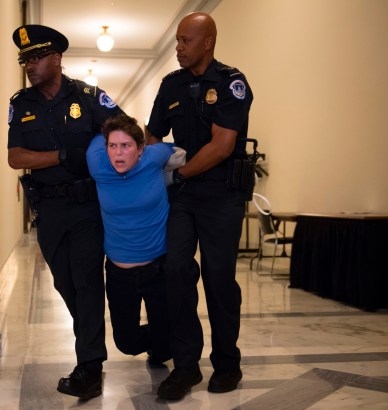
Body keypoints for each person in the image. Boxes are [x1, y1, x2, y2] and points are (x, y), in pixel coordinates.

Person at [7, 24, 125, 400]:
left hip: (87, 206)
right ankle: (92, 344)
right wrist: (59, 156)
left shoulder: (89, 97)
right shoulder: (21, 104)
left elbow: (124, 133)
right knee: (66, 284)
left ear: (57, 59)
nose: (30, 64)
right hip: (49, 209)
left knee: (88, 281)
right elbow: (15, 157)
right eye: (25, 59)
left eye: (37, 57)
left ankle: (90, 366)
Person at [146, 12, 254, 400]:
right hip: (182, 196)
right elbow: (152, 132)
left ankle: (227, 363)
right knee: (175, 269)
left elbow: (222, 145)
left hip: (221, 195)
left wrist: (179, 172)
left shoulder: (231, 83)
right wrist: (155, 160)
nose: (178, 47)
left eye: (185, 41)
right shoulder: (170, 85)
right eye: (176, 40)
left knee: (218, 277)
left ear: (207, 42)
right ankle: (186, 366)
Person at [86, 114, 185, 367]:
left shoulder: (153, 157)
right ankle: (161, 334)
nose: (118, 153)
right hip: (120, 274)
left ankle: (163, 339)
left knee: (165, 350)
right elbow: (98, 135)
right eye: (113, 146)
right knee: (126, 344)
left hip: (157, 269)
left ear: (140, 149)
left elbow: (177, 150)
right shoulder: (98, 164)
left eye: (126, 146)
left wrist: (172, 177)